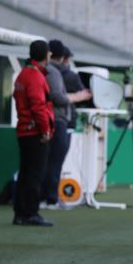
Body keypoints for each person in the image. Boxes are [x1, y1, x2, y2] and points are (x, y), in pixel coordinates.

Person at [42, 40, 93, 208]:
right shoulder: (66, 75)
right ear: (64, 58)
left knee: (45, 161)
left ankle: (44, 197)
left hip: (42, 120)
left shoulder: (40, 71)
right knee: (56, 162)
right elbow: (62, 98)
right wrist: (77, 97)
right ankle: (51, 199)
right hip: (62, 121)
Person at [13, 40, 55, 227]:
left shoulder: (23, 75)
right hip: (34, 132)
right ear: (45, 55)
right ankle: (31, 213)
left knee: (25, 173)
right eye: (49, 53)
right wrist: (45, 130)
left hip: (24, 130)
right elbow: (39, 107)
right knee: (34, 175)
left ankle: (21, 213)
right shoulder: (36, 77)